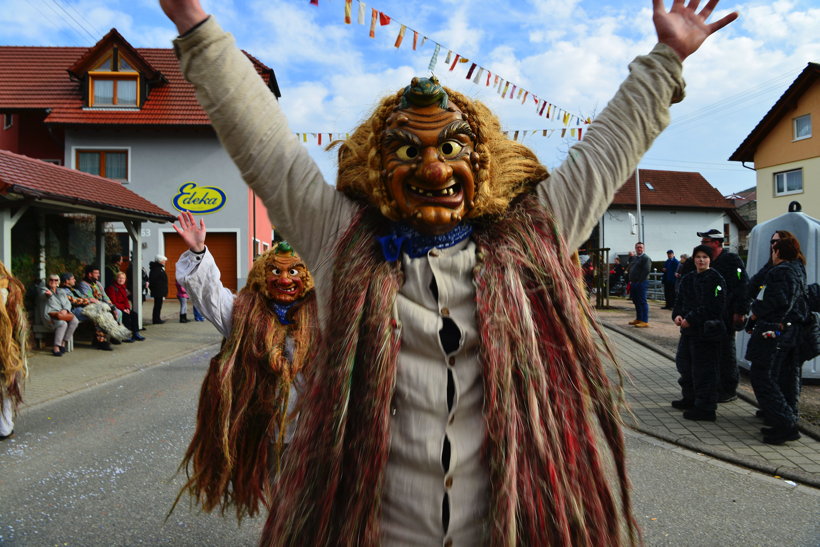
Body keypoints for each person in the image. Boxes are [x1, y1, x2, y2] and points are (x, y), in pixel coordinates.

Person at [160, 0, 737, 543]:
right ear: (377, 166)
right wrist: (194, 22)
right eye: (409, 152)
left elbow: (606, 151)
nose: (434, 168)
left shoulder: (536, 232)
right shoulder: (339, 237)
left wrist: (665, 62)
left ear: (481, 159)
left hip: (511, 524)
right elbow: (264, 142)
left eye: (452, 147)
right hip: (372, 525)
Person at [172, 211, 318, 519]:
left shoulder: (322, 317)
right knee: (284, 505)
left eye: (294, 272)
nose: (284, 279)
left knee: (319, 506)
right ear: (263, 277)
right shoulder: (245, 315)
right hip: (272, 433)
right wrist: (199, 252)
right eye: (276, 271)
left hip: (317, 431)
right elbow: (211, 296)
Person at [745, 231, 809, 445]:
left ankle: (785, 424)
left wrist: (755, 312)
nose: (771, 250)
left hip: (773, 331)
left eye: (774, 246)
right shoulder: (798, 269)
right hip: (790, 331)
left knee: (762, 375)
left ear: (778, 250)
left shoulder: (780, 271)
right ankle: (783, 419)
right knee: (784, 376)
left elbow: (777, 302)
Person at [680, 228, 750, 402]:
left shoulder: (732, 261)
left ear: (717, 243)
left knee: (725, 354)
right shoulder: (695, 261)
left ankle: (727, 389)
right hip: (699, 318)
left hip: (724, 317)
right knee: (695, 357)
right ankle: (698, 390)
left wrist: (740, 311)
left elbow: (743, 285)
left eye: (706, 242)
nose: (702, 246)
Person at [671, 245, 726, 421]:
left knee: (704, 370)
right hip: (688, 332)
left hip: (706, 332)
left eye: (705, 257)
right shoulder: (688, 278)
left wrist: (692, 318)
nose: (701, 260)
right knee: (685, 365)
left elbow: (714, 306)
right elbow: (679, 301)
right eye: (698, 257)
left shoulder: (716, 279)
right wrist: (677, 315)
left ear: (710, 259)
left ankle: (706, 407)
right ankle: (690, 397)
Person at [0, 260, 27, 441]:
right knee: (6, 388)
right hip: (8, 348)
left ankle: (5, 427)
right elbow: (20, 325)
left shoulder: (9, 289)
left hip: (6, 347)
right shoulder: (11, 289)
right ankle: (5, 427)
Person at [77, 265, 124, 344]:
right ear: (89, 274)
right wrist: (104, 306)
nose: (98, 275)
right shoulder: (83, 284)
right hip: (91, 307)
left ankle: (114, 335)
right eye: (96, 273)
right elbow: (90, 298)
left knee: (118, 312)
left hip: (102, 305)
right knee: (103, 315)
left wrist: (111, 305)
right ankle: (101, 340)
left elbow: (105, 296)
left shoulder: (98, 284)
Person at [40, 274, 80, 356]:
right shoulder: (44, 289)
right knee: (63, 324)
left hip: (62, 314)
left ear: (59, 282)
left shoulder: (61, 291)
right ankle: (56, 347)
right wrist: (48, 295)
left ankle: (63, 342)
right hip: (50, 315)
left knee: (75, 321)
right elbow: (43, 296)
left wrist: (65, 309)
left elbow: (67, 303)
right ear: (48, 281)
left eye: (56, 280)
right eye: (51, 280)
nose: (53, 282)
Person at [105, 271, 146, 342]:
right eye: (119, 278)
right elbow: (113, 302)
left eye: (123, 278)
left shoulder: (123, 287)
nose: (121, 280)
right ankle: (125, 336)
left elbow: (125, 300)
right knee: (126, 317)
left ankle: (135, 333)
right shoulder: (111, 288)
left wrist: (127, 308)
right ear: (116, 278)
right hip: (115, 308)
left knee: (134, 315)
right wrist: (123, 309)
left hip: (123, 308)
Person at [628, 242, 652, 327]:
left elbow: (646, 271)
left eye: (641, 247)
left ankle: (644, 321)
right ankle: (639, 318)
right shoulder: (635, 258)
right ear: (635, 248)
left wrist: (639, 281)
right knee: (636, 301)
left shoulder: (646, 258)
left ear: (643, 248)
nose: (639, 249)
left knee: (642, 301)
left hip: (641, 282)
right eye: (638, 247)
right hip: (634, 282)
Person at [148, 255, 168, 324]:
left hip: (160, 290)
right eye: (164, 261)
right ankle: (156, 319)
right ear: (160, 261)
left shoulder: (159, 268)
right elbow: (153, 280)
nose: (165, 262)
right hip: (158, 291)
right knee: (157, 305)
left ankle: (157, 318)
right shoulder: (156, 269)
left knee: (158, 305)